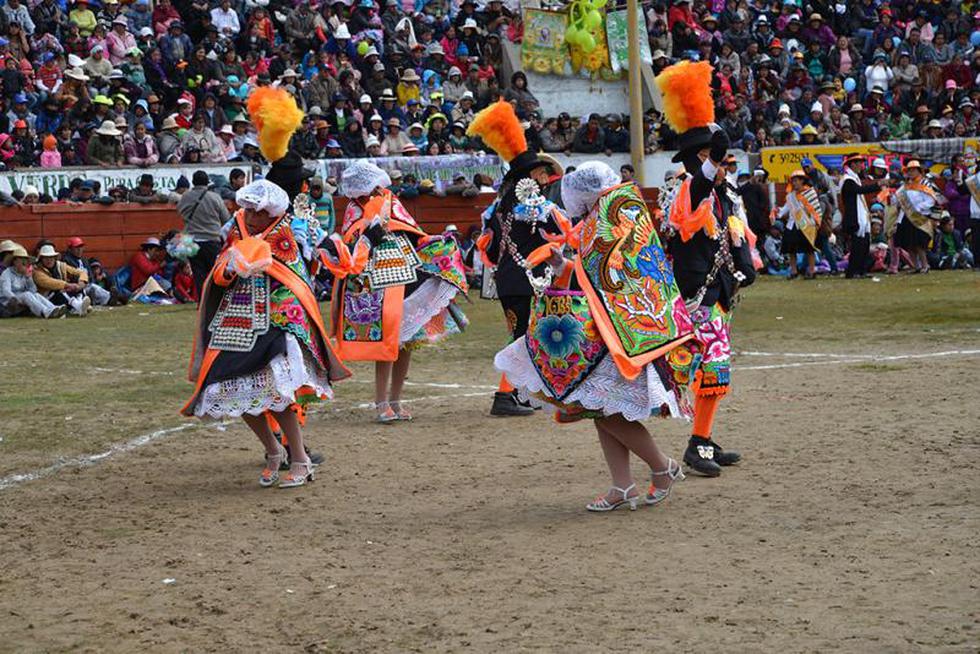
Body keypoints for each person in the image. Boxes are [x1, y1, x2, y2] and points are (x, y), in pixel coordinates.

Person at [494, 161, 689, 511]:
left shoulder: (609, 220)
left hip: (611, 334)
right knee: (599, 408)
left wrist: (566, 268)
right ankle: (623, 484)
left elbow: (606, 277)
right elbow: (594, 275)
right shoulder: (615, 214)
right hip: (610, 329)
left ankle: (662, 467)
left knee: (607, 410)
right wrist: (562, 266)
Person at [181, 179, 350, 488]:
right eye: (246, 209)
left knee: (276, 388)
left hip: (276, 317)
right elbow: (222, 265)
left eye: (255, 211)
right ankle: (273, 451)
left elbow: (291, 274)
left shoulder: (283, 230)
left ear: (271, 213)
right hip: (238, 316)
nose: (248, 215)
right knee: (228, 384)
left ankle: (299, 458)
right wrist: (231, 270)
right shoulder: (238, 225)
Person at [656, 61, 756, 478]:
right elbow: (692, 204)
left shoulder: (723, 191)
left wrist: (745, 265)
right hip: (694, 289)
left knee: (714, 365)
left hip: (716, 288)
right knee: (704, 365)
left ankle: (704, 437)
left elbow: (734, 231)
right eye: (706, 155)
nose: (715, 163)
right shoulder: (684, 187)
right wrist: (713, 164)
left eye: (713, 155)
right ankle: (698, 442)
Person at [330, 160, 469, 423]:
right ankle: (382, 402)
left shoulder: (388, 198)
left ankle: (394, 400)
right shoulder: (355, 207)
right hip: (374, 276)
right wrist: (369, 232)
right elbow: (351, 239)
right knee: (387, 340)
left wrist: (432, 240)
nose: (371, 192)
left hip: (407, 268)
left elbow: (413, 231)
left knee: (404, 341)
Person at [467, 101, 563, 417]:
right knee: (524, 336)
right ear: (527, 176)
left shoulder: (498, 207)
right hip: (528, 279)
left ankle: (522, 392)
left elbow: (491, 252)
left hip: (508, 279)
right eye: (540, 172)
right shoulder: (531, 204)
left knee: (521, 334)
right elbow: (558, 229)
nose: (544, 177)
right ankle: (506, 395)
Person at [177, 169, 230, 294]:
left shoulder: (186, 197)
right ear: (207, 182)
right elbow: (226, 219)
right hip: (212, 240)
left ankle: (202, 301)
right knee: (215, 272)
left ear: (193, 182)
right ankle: (214, 300)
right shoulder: (215, 197)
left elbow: (181, 212)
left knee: (198, 273)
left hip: (192, 241)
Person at [894, 160, 942, 274]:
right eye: (909, 170)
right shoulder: (905, 185)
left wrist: (918, 208)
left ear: (919, 171)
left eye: (913, 170)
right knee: (909, 244)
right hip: (906, 217)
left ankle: (925, 266)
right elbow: (896, 198)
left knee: (920, 244)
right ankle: (916, 266)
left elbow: (931, 200)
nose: (911, 172)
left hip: (920, 217)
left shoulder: (925, 183)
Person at [839, 154, 881, 279]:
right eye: (859, 163)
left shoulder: (855, 178)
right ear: (852, 164)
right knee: (857, 246)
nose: (861, 166)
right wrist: (877, 185)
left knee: (864, 245)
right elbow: (860, 190)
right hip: (854, 217)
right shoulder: (847, 180)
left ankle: (862, 270)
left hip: (861, 216)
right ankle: (852, 271)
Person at [0, 245, 70, 319]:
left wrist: (28, 278)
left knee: (36, 295)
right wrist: (16, 300)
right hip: (9, 302)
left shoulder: (25, 274)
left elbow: (33, 290)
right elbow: (6, 291)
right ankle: (45, 312)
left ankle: (54, 309)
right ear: (15, 261)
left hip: (24, 300)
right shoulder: (7, 273)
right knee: (26, 294)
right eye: (21, 259)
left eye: (25, 259)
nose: (24, 262)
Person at [777, 170, 820, 279]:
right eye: (793, 181)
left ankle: (812, 271)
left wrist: (815, 223)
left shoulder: (810, 193)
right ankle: (794, 271)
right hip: (792, 225)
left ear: (802, 181)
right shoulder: (790, 196)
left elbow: (815, 210)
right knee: (791, 250)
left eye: (796, 181)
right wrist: (777, 212)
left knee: (809, 249)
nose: (794, 183)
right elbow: (785, 210)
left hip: (806, 225)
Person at [32, 244, 92, 316]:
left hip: (65, 293)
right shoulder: (37, 271)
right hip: (49, 298)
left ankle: (78, 305)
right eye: (46, 258)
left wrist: (81, 283)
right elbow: (49, 282)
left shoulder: (61, 266)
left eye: (51, 257)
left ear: (55, 258)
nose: (49, 260)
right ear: (41, 259)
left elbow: (80, 272)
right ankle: (77, 306)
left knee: (77, 285)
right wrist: (67, 285)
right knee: (59, 290)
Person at [62, 237, 112, 306]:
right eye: (76, 248)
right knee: (94, 288)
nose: (79, 250)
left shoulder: (84, 260)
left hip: (87, 285)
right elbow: (71, 277)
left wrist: (90, 281)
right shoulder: (66, 260)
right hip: (77, 287)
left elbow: (90, 275)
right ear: (70, 249)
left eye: (81, 247)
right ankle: (112, 298)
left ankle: (113, 298)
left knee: (95, 286)